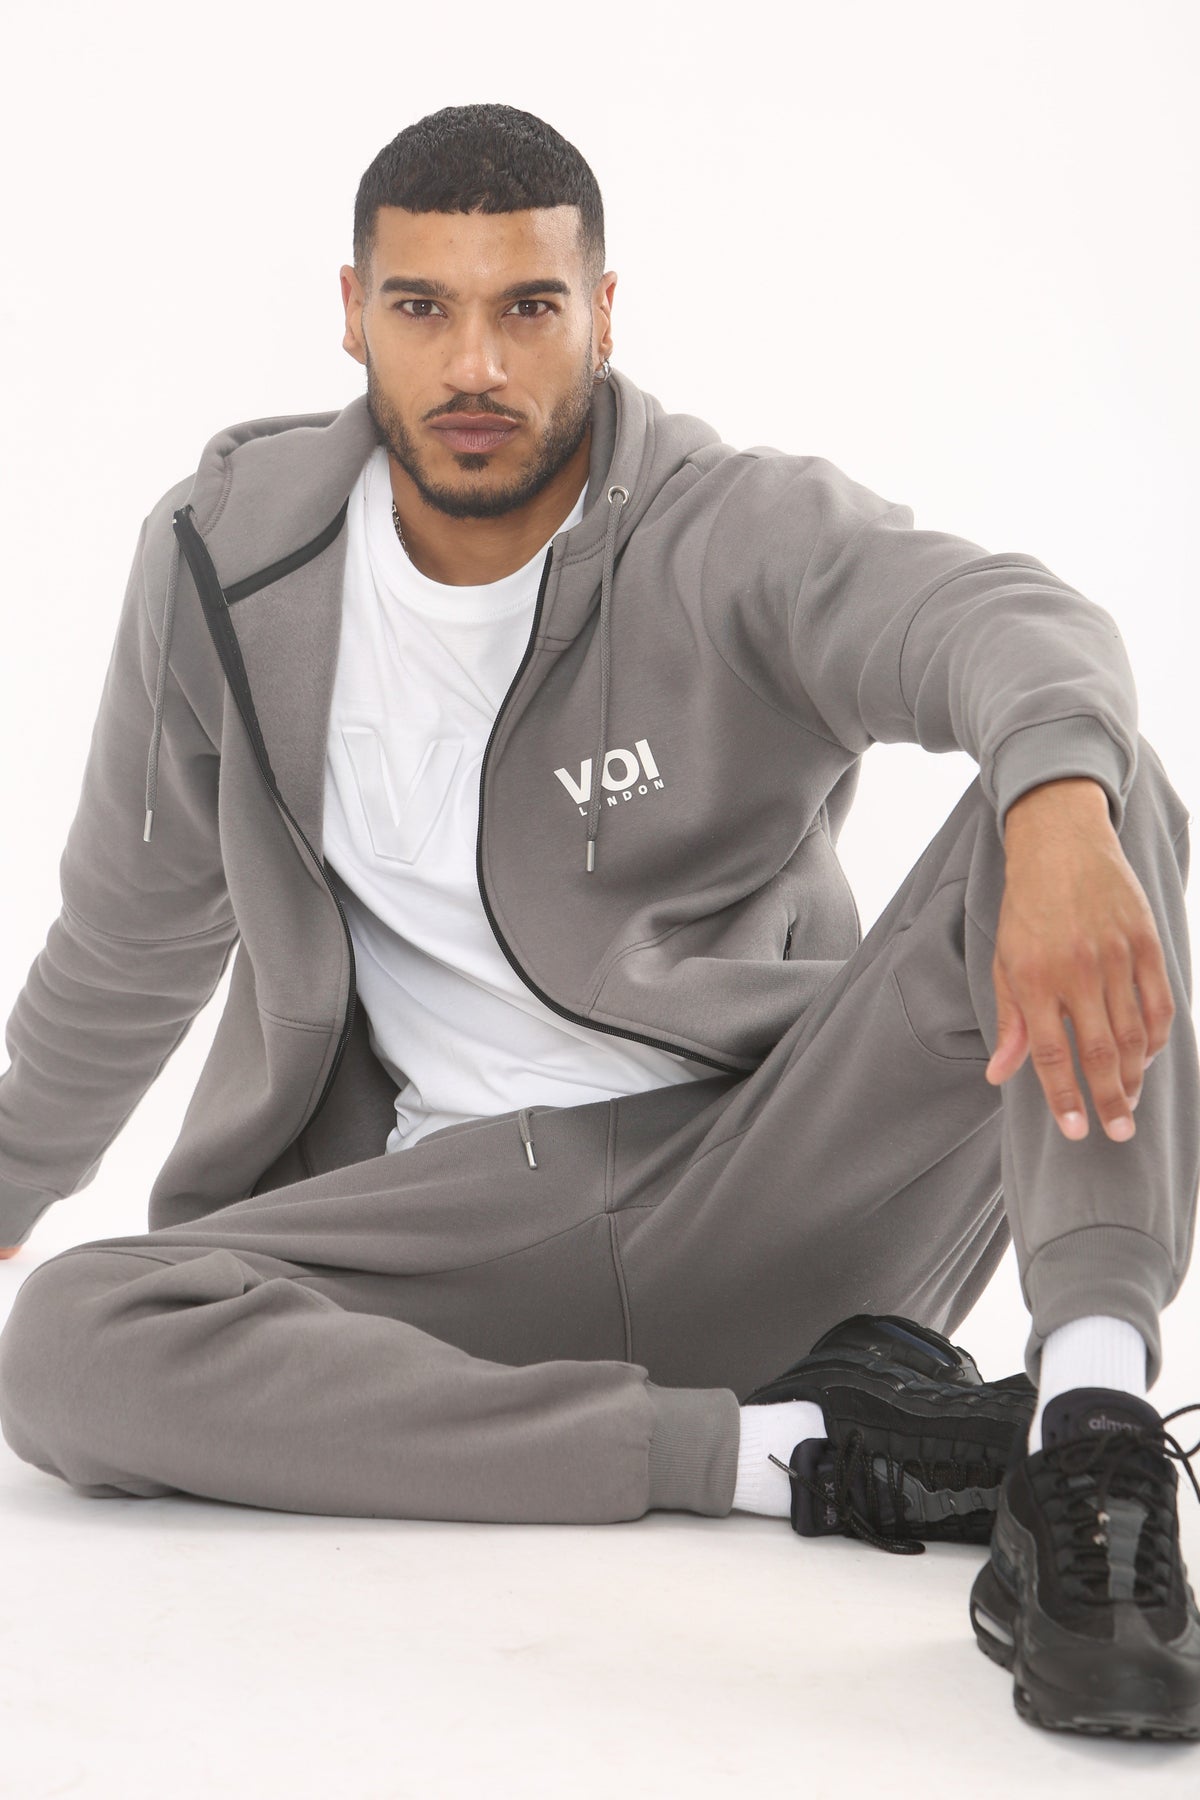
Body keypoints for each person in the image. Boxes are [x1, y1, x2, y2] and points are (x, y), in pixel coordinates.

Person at [0, 101, 1197, 1740]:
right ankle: (803, 1456)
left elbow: (1001, 618)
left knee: (1090, 793)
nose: (474, 364)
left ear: (604, 314)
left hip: (772, 1172)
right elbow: (131, 931)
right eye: (422, 307)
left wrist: (1058, 804)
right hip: (456, 1235)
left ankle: (1092, 1449)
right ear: (351, 314)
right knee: (73, 1341)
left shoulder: (723, 528)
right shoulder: (229, 561)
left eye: (528, 308)